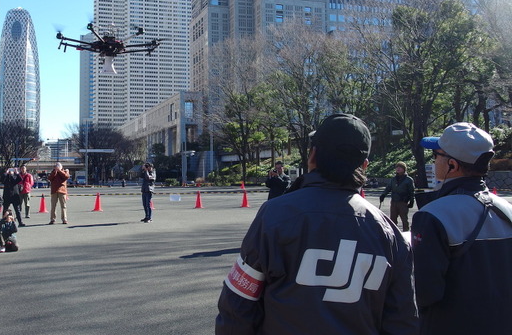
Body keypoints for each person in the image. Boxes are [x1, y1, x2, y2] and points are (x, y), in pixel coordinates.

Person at [216, 114, 418, 334]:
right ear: (365, 165)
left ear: (313, 156)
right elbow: (403, 320)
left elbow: (239, 303)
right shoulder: (389, 233)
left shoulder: (275, 215)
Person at [412, 122, 512, 334]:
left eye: (435, 156)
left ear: (452, 165)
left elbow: (425, 292)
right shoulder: (507, 209)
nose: (434, 161)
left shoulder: (432, 215)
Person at [379, 161, 415, 231]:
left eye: (400, 167)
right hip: (394, 202)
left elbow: (412, 191)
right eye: (397, 167)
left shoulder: (409, 180)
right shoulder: (393, 179)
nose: (398, 169)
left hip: (403, 202)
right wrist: (383, 195)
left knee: (404, 219)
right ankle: (394, 233)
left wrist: (412, 200)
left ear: (404, 169)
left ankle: (406, 232)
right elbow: (388, 188)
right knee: (392, 219)